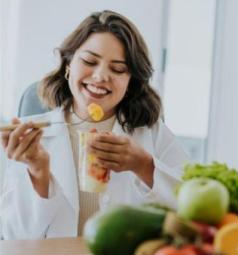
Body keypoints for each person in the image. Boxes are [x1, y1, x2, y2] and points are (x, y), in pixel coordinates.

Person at [0, 10, 188, 239]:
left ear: (130, 81)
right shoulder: (30, 138)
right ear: (68, 64)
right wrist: (38, 172)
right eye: (90, 61)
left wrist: (144, 166)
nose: (100, 77)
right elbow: (14, 238)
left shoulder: (153, 135)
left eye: (118, 69)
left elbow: (191, 209)